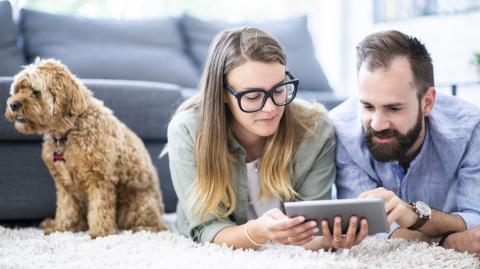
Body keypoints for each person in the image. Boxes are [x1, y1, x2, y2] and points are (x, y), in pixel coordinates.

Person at [167, 27, 368, 250]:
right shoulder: (187, 130)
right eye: (253, 96)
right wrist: (257, 232)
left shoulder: (315, 130)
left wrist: (328, 239)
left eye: (280, 89)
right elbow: (206, 229)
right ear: (223, 93)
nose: (271, 108)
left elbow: (313, 228)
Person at [330, 30, 480, 255]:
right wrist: (448, 242)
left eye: (394, 108)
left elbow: (476, 222)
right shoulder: (341, 129)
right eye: (368, 107)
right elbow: (369, 229)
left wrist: (412, 215)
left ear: (427, 102)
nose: (377, 124)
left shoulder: (470, 129)